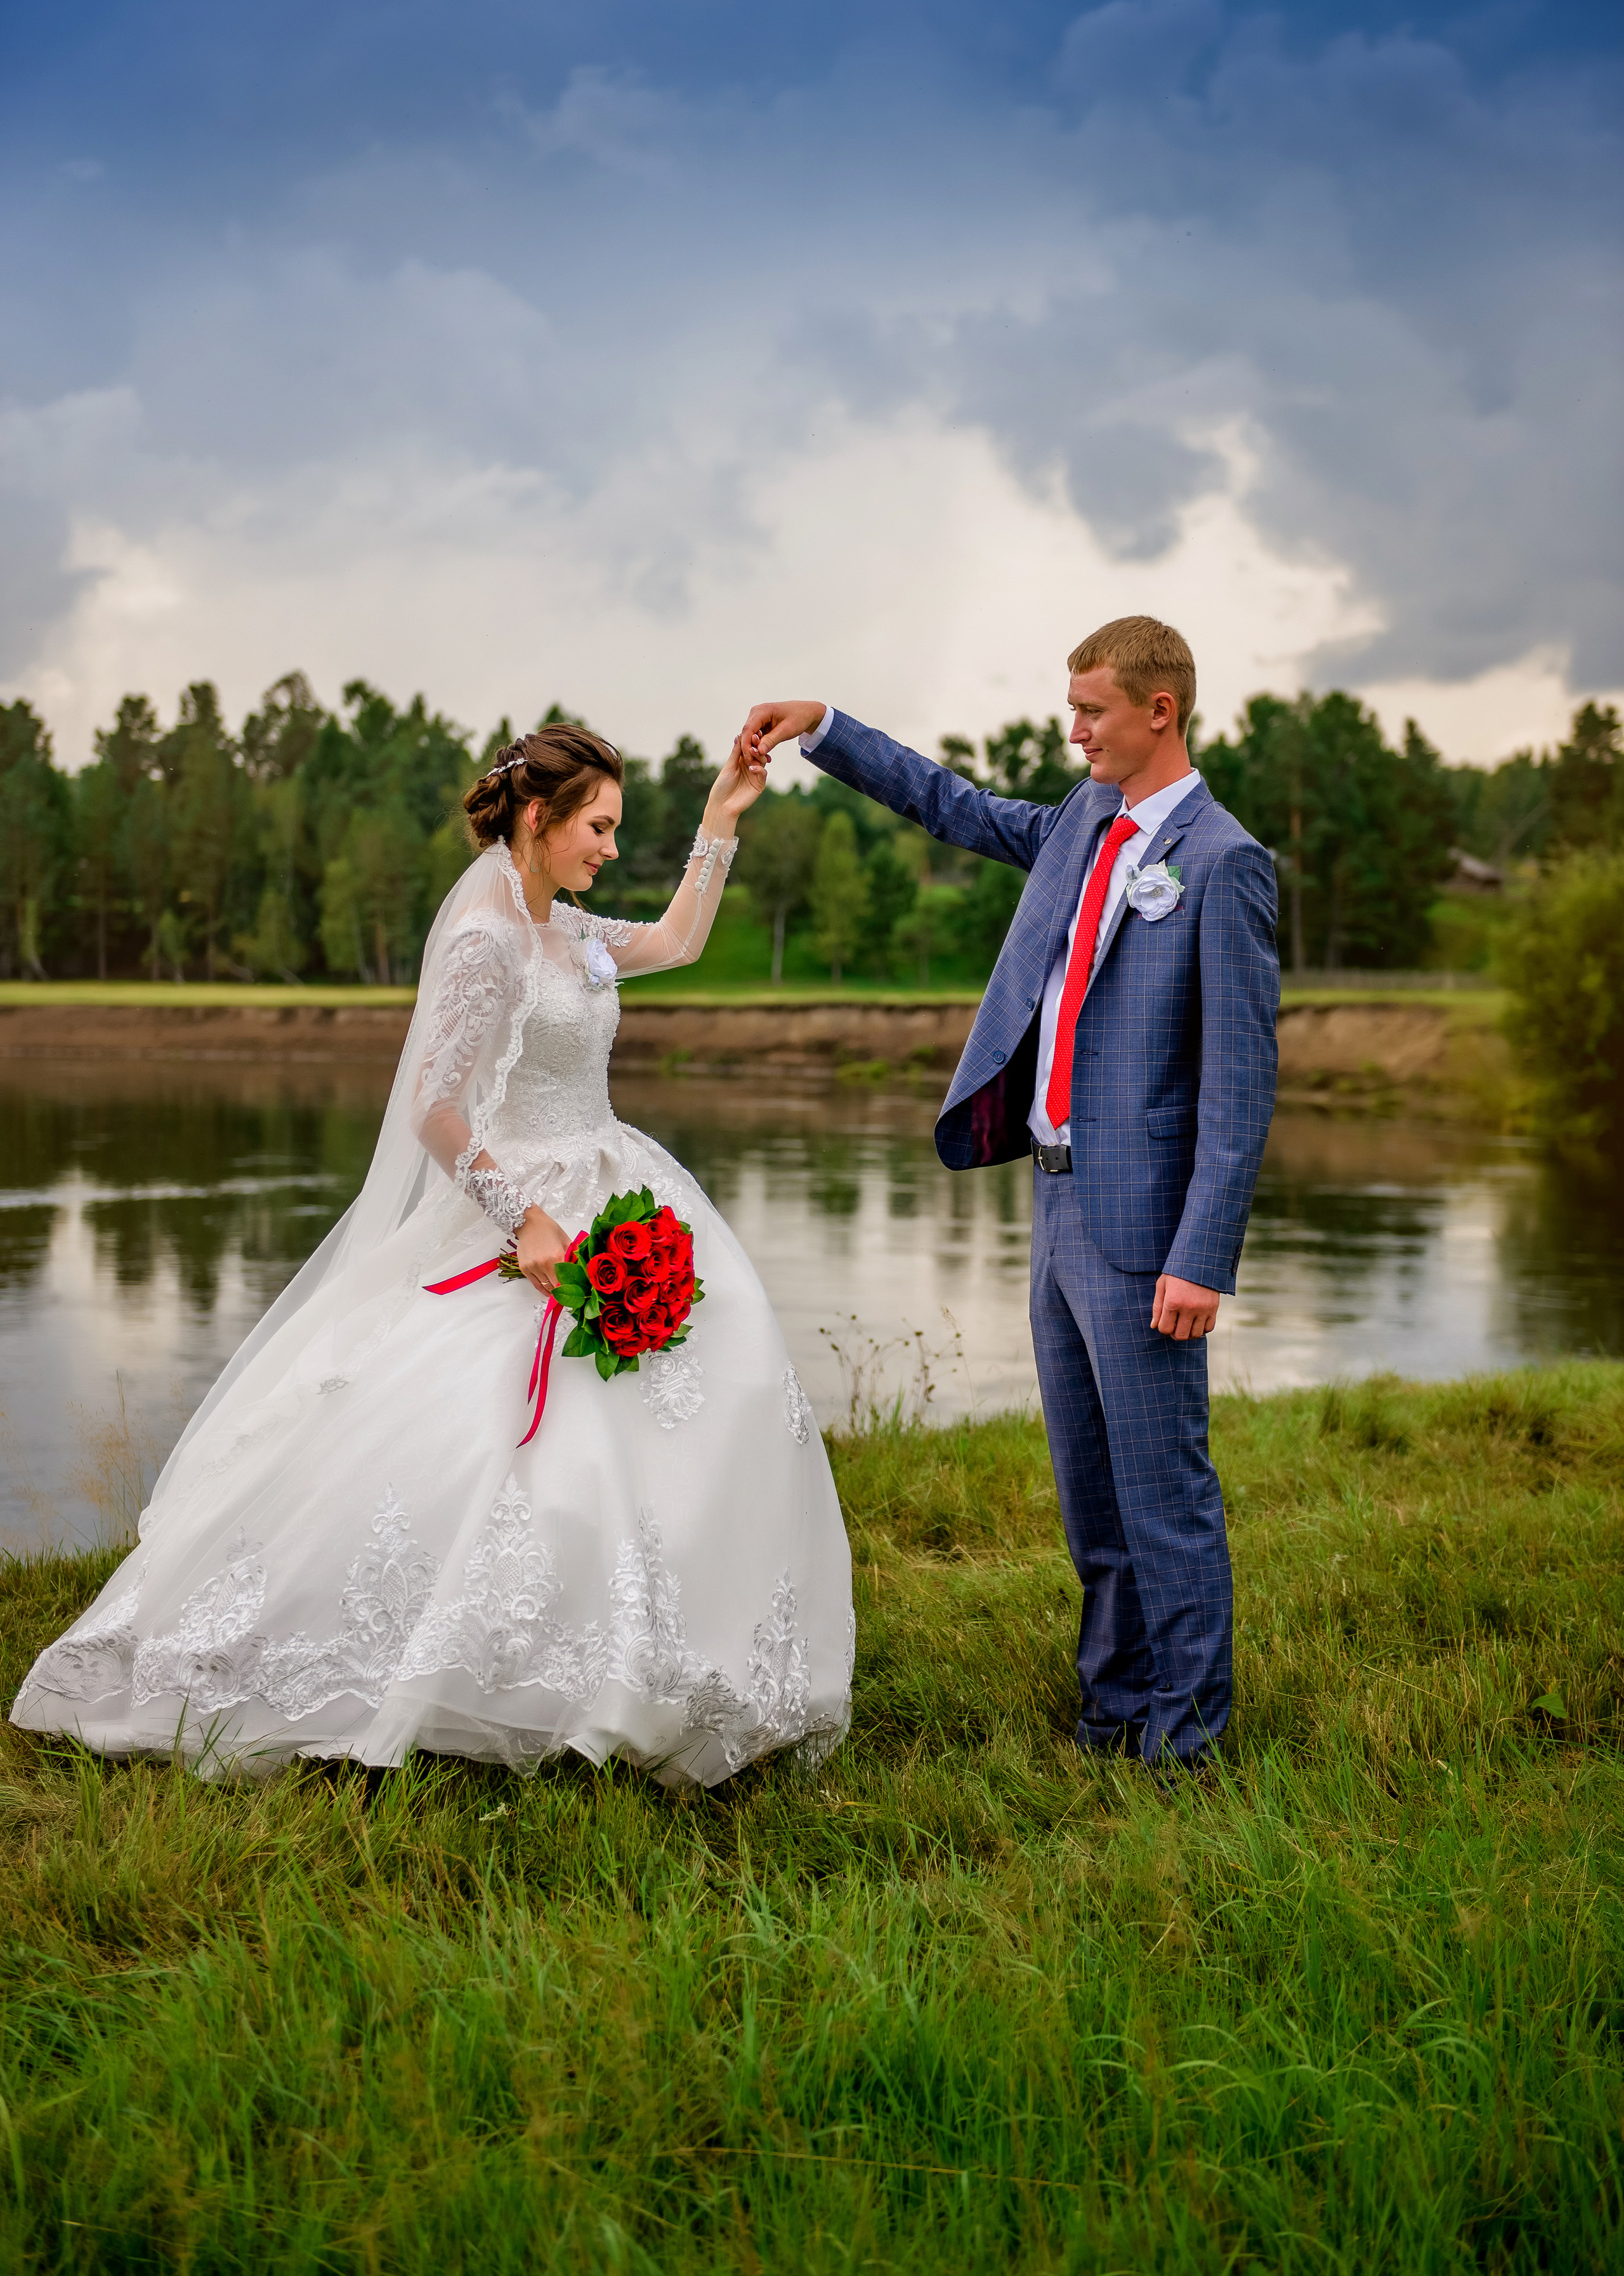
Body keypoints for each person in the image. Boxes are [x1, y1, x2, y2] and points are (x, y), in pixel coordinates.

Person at [13, 725, 853, 1786]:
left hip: (611, 1175)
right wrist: (524, 1218)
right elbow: (437, 1109)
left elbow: (677, 942)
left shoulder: (573, 932)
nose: (607, 846)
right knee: (490, 1436)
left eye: (617, 829)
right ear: (538, 818)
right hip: (525, 1209)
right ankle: (468, 1664)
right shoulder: (486, 941)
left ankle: (647, 1657)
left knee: (694, 1391)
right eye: (598, 826)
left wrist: (718, 824)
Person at [743, 617, 1278, 1768]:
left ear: (1160, 711)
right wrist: (827, 729)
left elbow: (1239, 1087)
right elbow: (956, 804)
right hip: (1056, 1205)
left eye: (1091, 707)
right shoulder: (1084, 822)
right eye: (1071, 704)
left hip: (1145, 1233)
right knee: (1091, 1496)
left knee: (1163, 1496)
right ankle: (1112, 1712)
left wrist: (1202, 1254)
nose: (1072, 726)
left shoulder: (1226, 863)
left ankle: (1189, 1744)